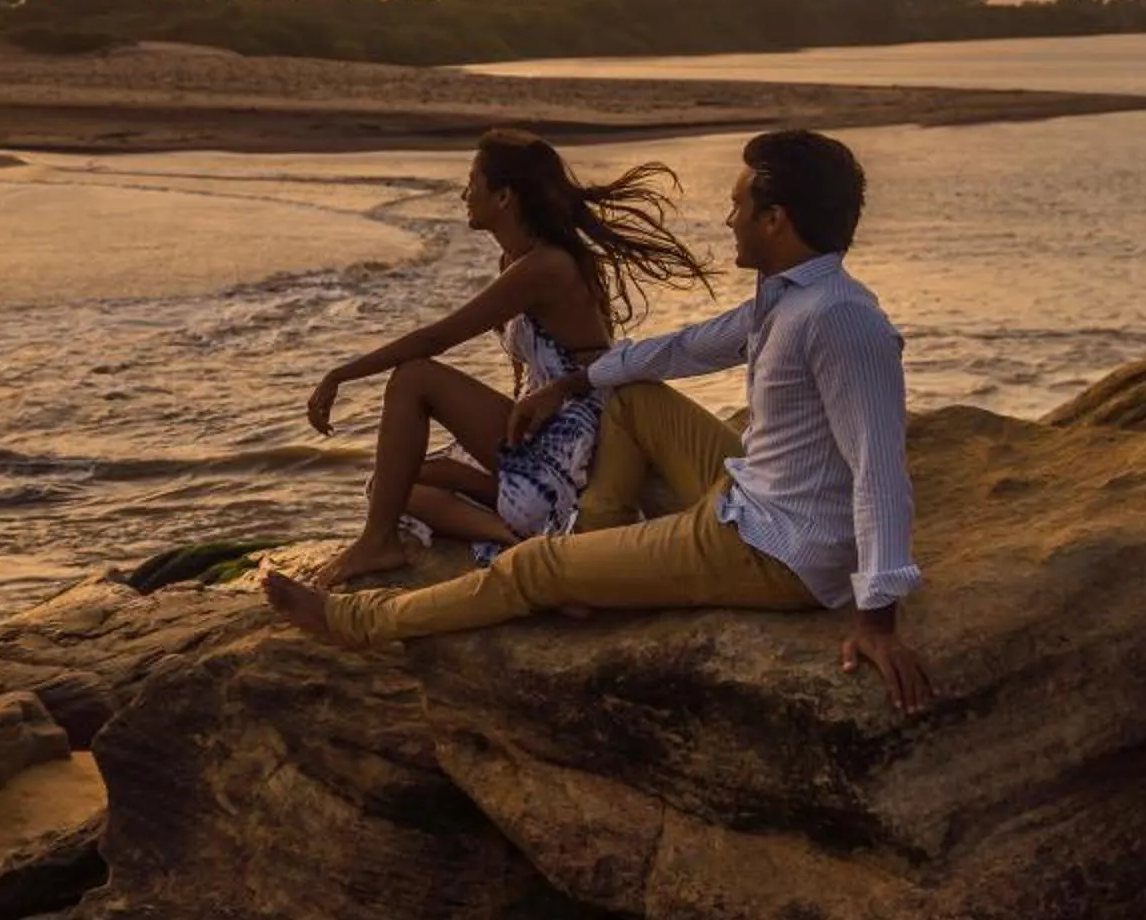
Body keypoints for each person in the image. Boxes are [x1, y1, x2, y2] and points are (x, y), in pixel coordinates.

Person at [266, 129, 941, 716]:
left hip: (776, 552)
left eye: (740, 205)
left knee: (533, 570)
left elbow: (880, 470)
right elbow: (686, 347)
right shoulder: (789, 297)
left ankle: (358, 620)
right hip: (755, 493)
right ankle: (596, 544)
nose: (729, 217)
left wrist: (877, 617)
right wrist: (573, 382)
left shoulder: (840, 321)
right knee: (633, 394)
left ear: (776, 220)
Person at [300, 127, 711, 587]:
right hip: (546, 421)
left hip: (574, 431)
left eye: (472, 182)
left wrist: (341, 373)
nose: (463, 194)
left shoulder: (546, 266)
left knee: (414, 378)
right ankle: (506, 533)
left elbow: (437, 339)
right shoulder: (520, 261)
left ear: (504, 197)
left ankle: (377, 545)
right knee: (389, 485)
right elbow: (528, 372)